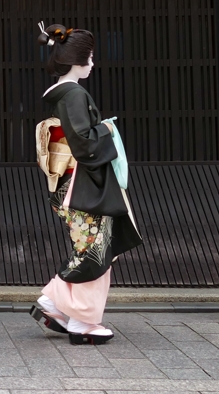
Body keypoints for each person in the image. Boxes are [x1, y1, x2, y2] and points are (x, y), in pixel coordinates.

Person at [31, 23, 142, 345]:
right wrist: (106, 130)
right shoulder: (74, 94)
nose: (92, 64)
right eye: (90, 58)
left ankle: (57, 303)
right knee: (96, 250)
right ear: (77, 60)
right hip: (82, 183)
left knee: (93, 248)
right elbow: (83, 143)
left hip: (68, 182)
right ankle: (80, 319)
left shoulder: (60, 95)